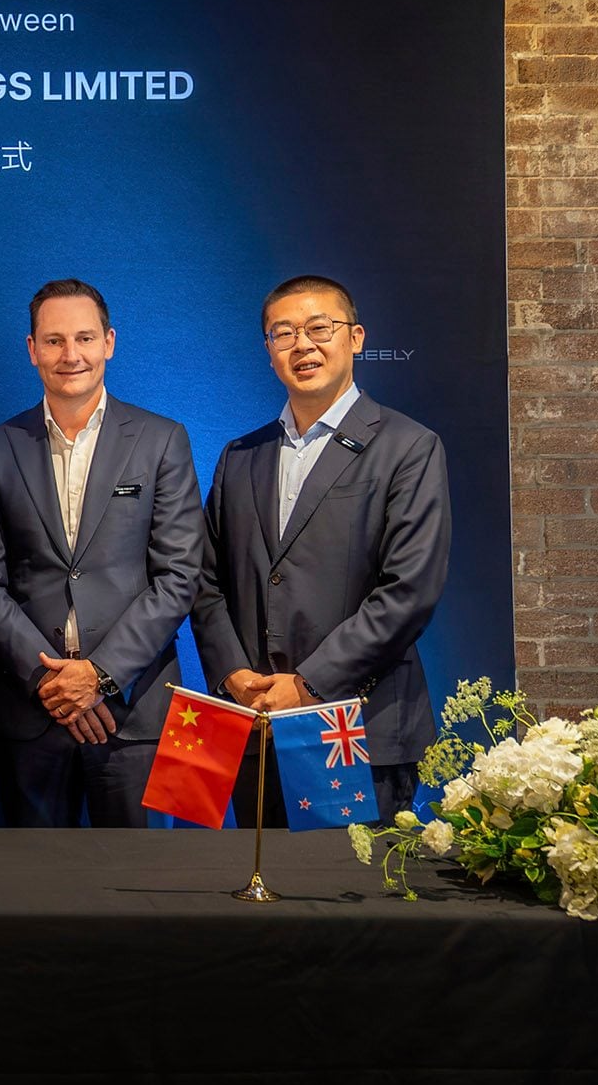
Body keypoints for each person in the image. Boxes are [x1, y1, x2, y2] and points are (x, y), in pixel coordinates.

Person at [191, 274, 450, 823]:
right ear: (269, 352)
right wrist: (232, 672)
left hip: (355, 724)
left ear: (355, 337)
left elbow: (408, 592)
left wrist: (310, 684)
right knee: (254, 876)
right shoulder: (240, 455)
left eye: (318, 328)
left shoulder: (408, 446)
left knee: (349, 880)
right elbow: (203, 579)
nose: (302, 345)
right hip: (253, 722)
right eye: (283, 334)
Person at [0, 279, 203, 827]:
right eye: (54, 340)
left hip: (133, 713)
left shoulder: (162, 439)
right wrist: (52, 682)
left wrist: (100, 675)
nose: (71, 355)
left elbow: (179, 575)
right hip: (30, 710)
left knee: (143, 875)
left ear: (109, 342)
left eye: (85, 338)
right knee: (39, 876)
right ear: (32, 349)